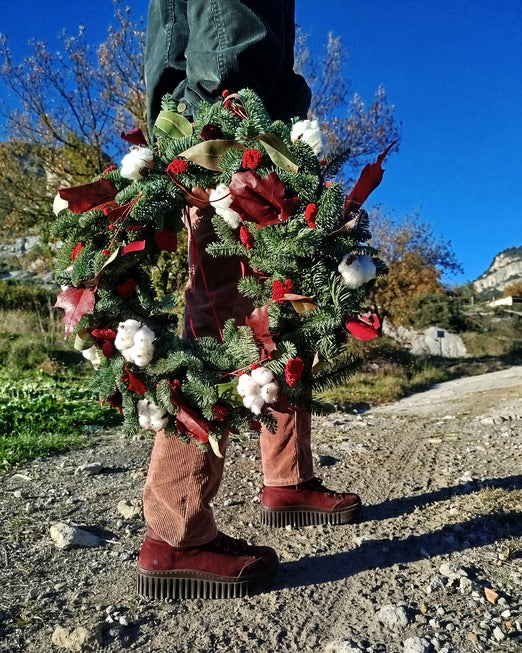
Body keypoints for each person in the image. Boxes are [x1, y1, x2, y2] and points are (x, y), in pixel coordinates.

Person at [137, 0, 362, 600]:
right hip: (232, 137)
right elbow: (222, 40)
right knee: (224, 320)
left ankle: (287, 478)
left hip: (227, 127)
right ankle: (175, 532)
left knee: (282, 311)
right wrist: (238, 126)